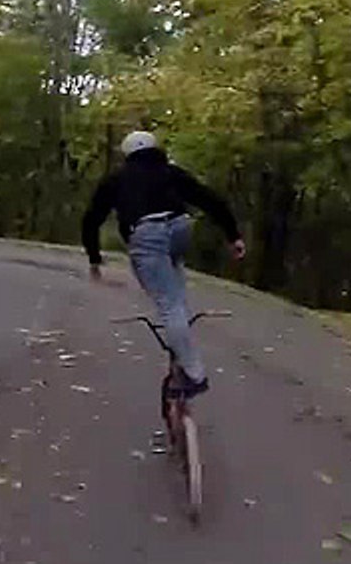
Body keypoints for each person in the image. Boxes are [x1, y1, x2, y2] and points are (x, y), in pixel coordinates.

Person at [82, 131, 246, 397]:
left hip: (147, 234)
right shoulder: (170, 172)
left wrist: (94, 259)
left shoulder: (116, 180)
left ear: (127, 154)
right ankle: (181, 344)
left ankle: (194, 374)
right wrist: (233, 236)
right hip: (181, 227)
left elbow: (91, 219)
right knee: (174, 291)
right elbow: (209, 199)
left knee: (168, 305)